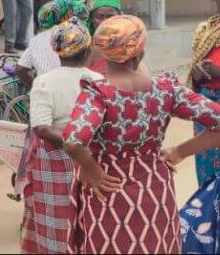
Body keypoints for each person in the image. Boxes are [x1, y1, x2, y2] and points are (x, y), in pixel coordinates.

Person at [62, 14, 220, 254]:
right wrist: (180, 151)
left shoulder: (98, 93)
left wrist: (90, 168)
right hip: (155, 191)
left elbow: (73, 141)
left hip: (109, 191)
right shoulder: (165, 90)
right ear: (139, 53)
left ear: (103, 52)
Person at [21, 17, 102, 254]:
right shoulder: (98, 80)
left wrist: (70, 141)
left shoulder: (43, 82)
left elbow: (42, 129)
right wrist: (80, 144)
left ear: (57, 52)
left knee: (56, 221)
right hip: (91, 158)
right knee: (89, 216)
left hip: (53, 160)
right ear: (87, 51)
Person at [187, 0, 220, 186]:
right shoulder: (205, 29)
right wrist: (197, 76)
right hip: (205, 106)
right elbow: (194, 70)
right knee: (208, 171)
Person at [16, 0, 87, 88]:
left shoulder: (36, 39)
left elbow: (20, 69)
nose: (82, 22)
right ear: (67, 15)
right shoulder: (76, 36)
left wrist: (37, 88)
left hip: (45, 91)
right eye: (79, 17)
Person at [85, 0, 123, 76]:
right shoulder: (84, 46)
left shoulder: (126, 44)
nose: (105, 21)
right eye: (99, 17)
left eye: (110, 16)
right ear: (91, 19)